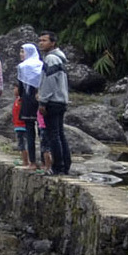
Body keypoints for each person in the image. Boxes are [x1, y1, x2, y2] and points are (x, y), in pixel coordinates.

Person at [38, 31, 72, 176]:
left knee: (54, 135)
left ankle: (58, 167)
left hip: (52, 101)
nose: (41, 43)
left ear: (53, 43)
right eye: (40, 40)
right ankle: (65, 164)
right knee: (59, 134)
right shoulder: (60, 58)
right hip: (61, 100)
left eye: (44, 40)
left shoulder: (51, 59)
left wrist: (43, 101)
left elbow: (50, 81)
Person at [15, 42, 43, 168]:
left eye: (23, 51)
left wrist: (20, 97)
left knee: (30, 132)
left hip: (27, 101)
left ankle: (32, 161)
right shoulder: (41, 65)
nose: (21, 54)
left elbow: (21, 87)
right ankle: (45, 162)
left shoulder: (23, 67)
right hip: (40, 99)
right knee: (43, 131)